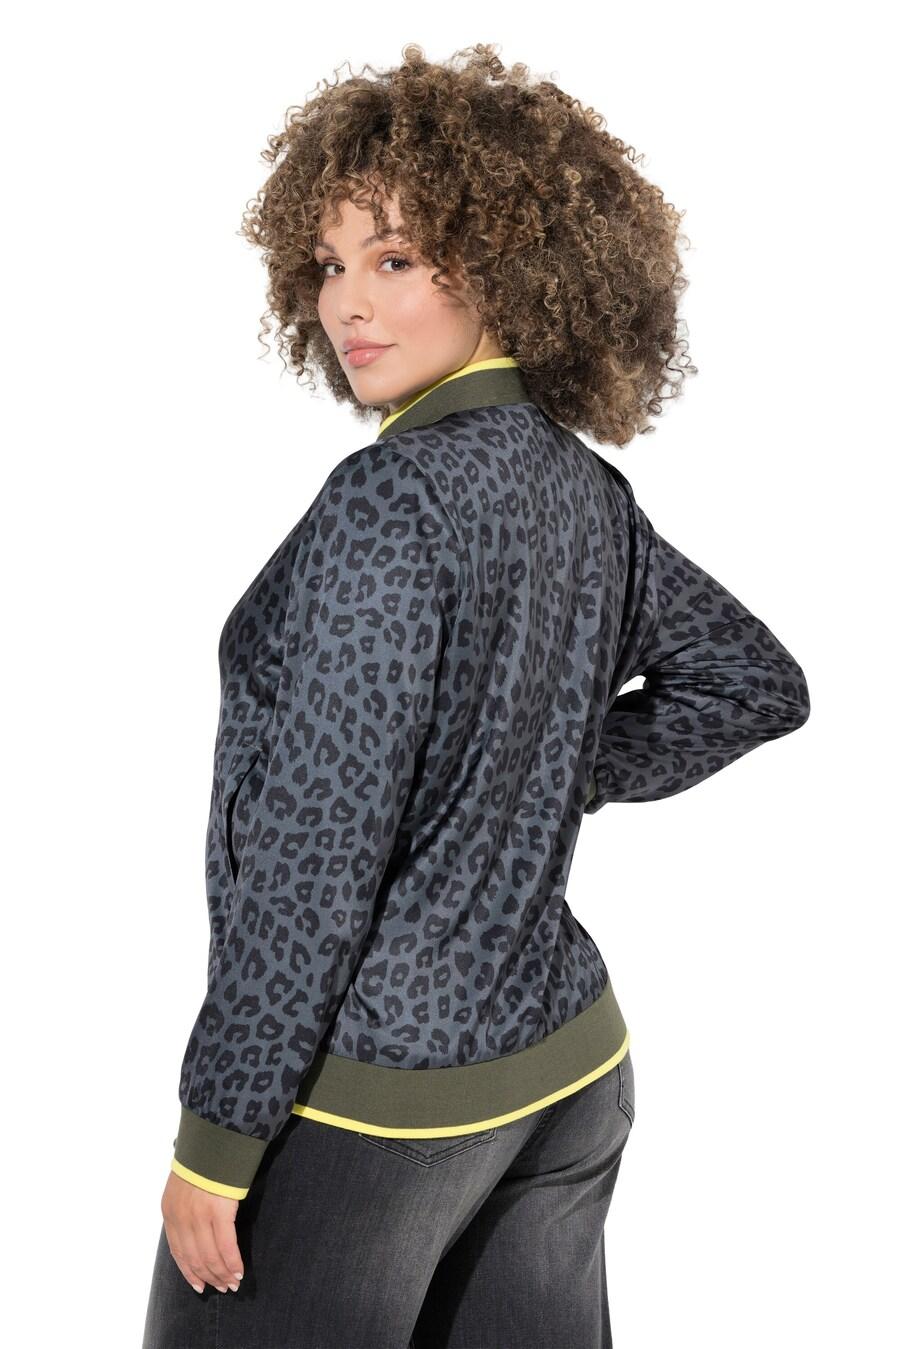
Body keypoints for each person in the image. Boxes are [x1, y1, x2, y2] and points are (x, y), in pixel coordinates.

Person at [141, 42, 810, 1349]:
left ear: (508, 266)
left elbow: (318, 852)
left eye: (394, 258)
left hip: (377, 1104)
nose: (347, 303)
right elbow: (750, 681)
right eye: (328, 264)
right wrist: (540, 761)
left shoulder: (387, 501)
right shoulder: (583, 490)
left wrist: (220, 1131)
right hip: (568, 1071)